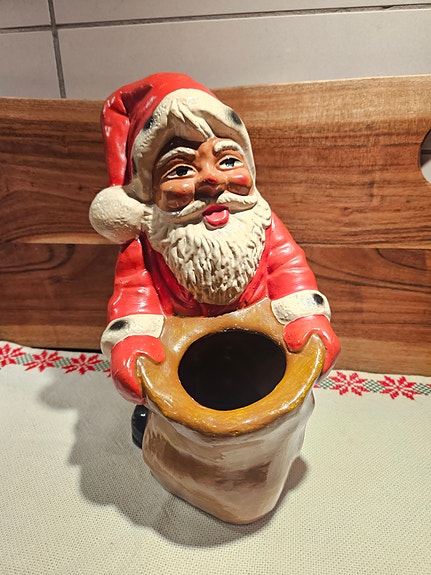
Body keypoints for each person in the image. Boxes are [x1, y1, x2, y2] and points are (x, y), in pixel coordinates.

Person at [90, 73, 340, 417]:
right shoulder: (149, 239)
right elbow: (135, 292)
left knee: (282, 410)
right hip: (181, 352)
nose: (212, 179)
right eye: (181, 170)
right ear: (152, 190)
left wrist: (305, 317)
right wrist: (135, 341)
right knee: (168, 420)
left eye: (228, 161)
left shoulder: (259, 220)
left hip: (257, 346)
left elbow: (288, 267)